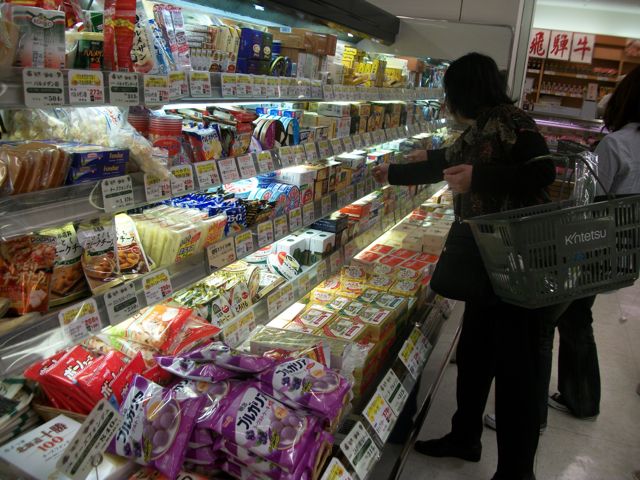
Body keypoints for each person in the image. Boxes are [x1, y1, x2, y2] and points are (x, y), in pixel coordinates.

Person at [373, 52, 560, 480]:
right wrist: (390, 173)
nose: (447, 101)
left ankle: (517, 472)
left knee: (516, 371)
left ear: (465, 92)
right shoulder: (479, 128)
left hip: (519, 265)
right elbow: (446, 162)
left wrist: (480, 179)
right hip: (486, 262)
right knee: (475, 354)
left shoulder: (514, 122)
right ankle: (465, 436)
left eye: (449, 93)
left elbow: (542, 172)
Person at [543, 64, 640, 421]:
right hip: (628, 246)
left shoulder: (618, 143)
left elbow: (590, 200)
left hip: (598, 241)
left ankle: (581, 398)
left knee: (575, 316)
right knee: (578, 315)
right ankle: (578, 395)